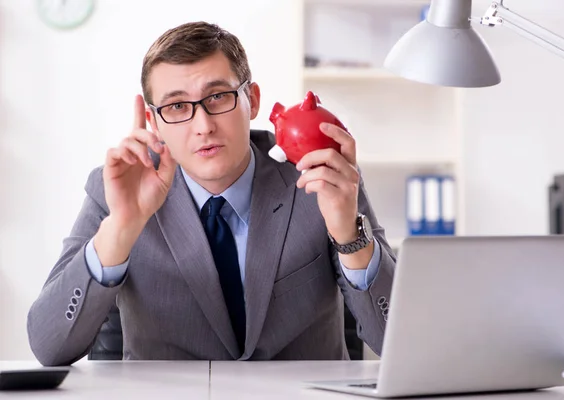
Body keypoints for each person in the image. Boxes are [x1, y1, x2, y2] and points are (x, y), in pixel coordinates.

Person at [27, 21, 396, 366]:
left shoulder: (320, 178)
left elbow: (395, 341)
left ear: (252, 100)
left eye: (218, 97)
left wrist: (350, 236)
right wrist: (120, 228)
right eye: (176, 106)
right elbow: (49, 347)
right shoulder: (117, 187)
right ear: (154, 122)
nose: (202, 126)